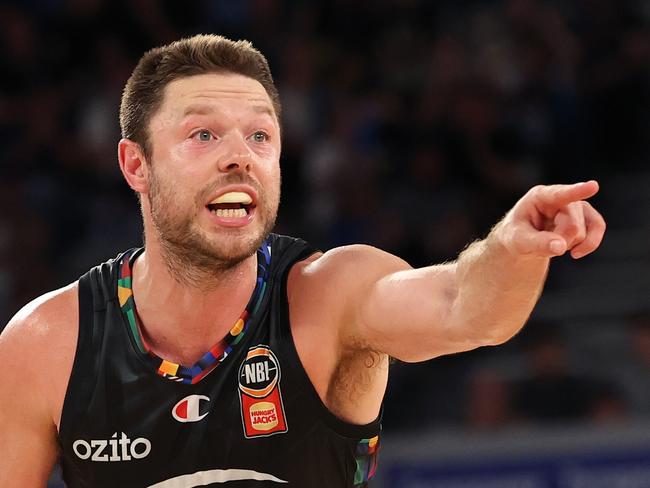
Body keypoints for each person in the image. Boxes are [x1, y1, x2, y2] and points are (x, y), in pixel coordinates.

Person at [0, 34, 606, 488]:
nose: (239, 156)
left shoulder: (333, 294)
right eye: (203, 135)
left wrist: (512, 249)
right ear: (136, 165)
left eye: (260, 136)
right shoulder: (47, 343)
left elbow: (464, 307)